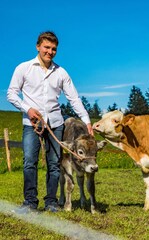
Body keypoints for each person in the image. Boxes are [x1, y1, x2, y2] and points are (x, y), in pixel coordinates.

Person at [7, 31, 93, 213]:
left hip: (55, 123)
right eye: (46, 47)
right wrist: (27, 109)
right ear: (38, 46)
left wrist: (86, 121)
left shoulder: (61, 72)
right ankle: (30, 201)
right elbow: (11, 94)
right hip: (32, 124)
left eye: (53, 49)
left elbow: (74, 98)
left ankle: (51, 202)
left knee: (54, 164)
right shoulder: (23, 68)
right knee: (29, 162)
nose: (50, 51)